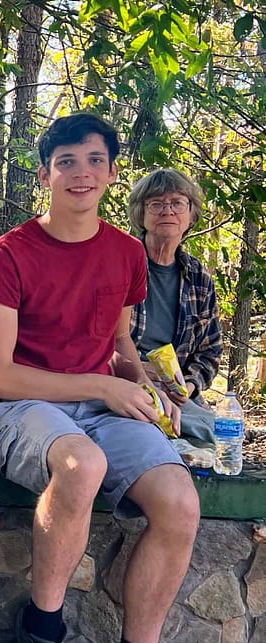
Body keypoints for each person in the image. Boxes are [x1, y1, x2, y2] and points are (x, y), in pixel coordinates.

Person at [0, 112, 215, 643]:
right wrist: (103, 384)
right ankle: (41, 638)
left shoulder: (126, 253)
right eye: (66, 162)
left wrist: (148, 386)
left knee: (180, 501)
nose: (80, 173)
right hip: (26, 406)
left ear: (111, 172)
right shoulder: (7, 254)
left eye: (94, 161)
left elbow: (118, 342)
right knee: (82, 466)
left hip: (101, 405)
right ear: (45, 173)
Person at [127, 168, 222, 444]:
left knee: (216, 433)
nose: (167, 211)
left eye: (177, 203)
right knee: (151, 430)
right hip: (124, 383)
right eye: (156, 204)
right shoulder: (120, 263)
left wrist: (188, 385)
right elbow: (92, 337)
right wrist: (135, 368)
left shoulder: (198, 278)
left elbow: (210, 351)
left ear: (191, 214)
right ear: (141, 214)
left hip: (176, 394)